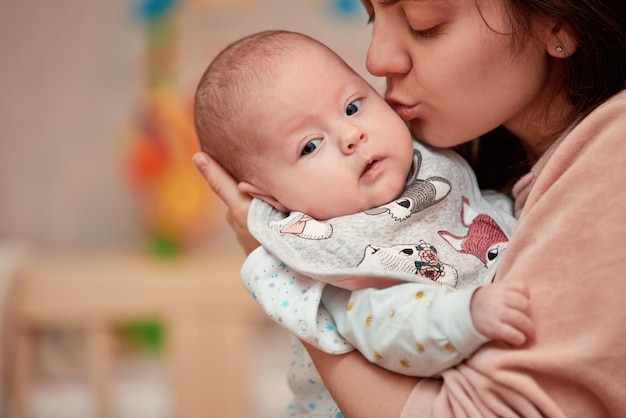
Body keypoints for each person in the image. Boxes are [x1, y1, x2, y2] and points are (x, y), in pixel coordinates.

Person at [192, 0, 626, 416]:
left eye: (423, 23)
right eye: (371, 19)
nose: (376, 59)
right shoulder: (494, 173)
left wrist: (287, 285)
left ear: (557, 23)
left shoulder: (614, 152)